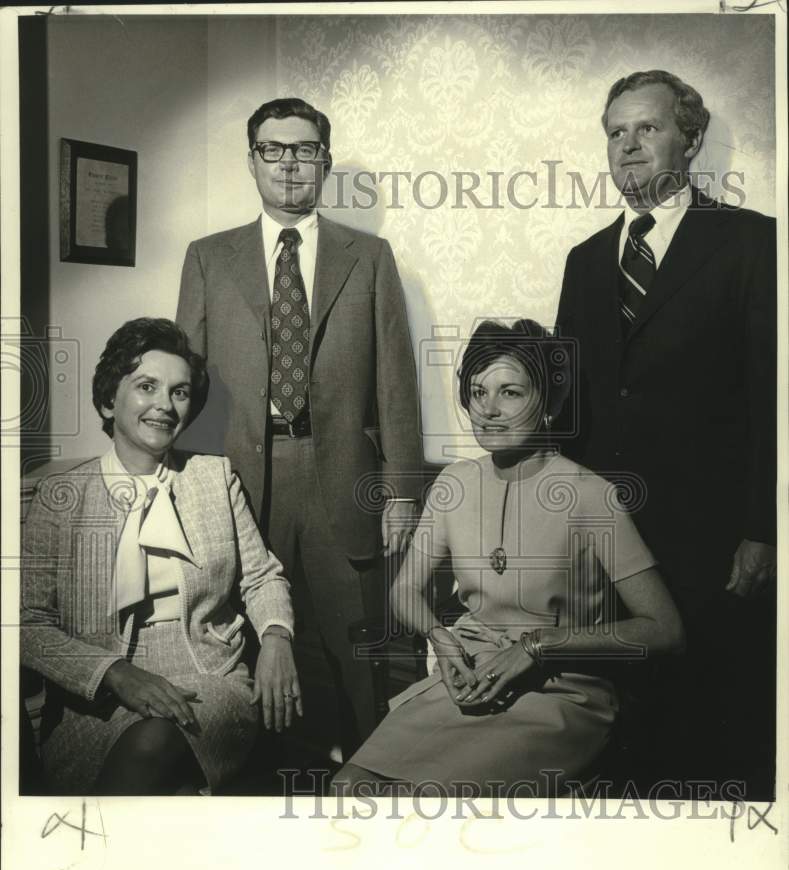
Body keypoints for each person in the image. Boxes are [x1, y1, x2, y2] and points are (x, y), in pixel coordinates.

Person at [332, 321, 684, 797]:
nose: (489, 410)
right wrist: (442, 640)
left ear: (550, 405)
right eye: (478, 392)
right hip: (470, 677)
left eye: (510, 392)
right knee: (349, 788)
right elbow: (404, 590)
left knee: (429, 807)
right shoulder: (454, 483)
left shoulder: (592, 496)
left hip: (559, 694)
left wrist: (540, 646)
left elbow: (664, 629)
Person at [176, 97, 422, 756]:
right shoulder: (207, 258)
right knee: (260, 653)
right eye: (272, 150)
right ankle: (282, 791)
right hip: (240, 485)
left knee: (360, 659)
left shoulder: (367, 256)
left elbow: (395, 380)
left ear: (325, 160)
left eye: (304, 149)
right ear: (251, 161)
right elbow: (188, 383)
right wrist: (189, 493)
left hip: (341, 478)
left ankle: (376, 784)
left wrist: (400, 490)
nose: (288, 164)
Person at [555, 70, 777, 795]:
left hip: (714, 539)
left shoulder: (752, 244)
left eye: (645, 128)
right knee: (624, 731)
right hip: (608, 538)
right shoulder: (583, 262)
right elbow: (566, 407)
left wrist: (762, 529)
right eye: (614, 133)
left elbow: (774, 398)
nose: (627, 146)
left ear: (691, 136)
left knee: (716, 729)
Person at [21, 318, 298, 795]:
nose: (164, 406)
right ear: (110, 399)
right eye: (146, 386)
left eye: (180, 392)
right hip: (98, 700)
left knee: (153, 744)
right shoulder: (60, 496)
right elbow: (26, 620)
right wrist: (113, 674)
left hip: (209, 681)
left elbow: (261, 577)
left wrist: (276, 637)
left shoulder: (214, 477)